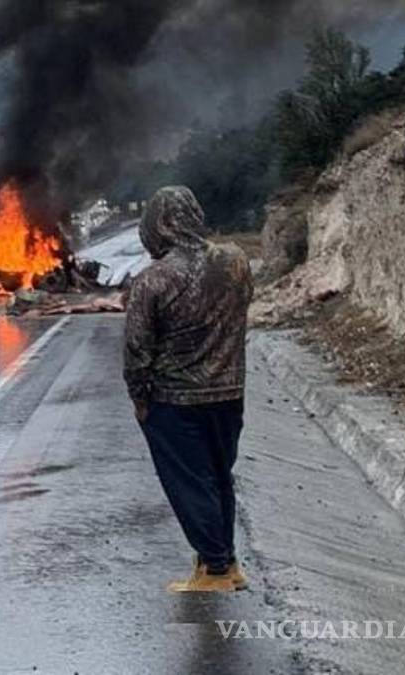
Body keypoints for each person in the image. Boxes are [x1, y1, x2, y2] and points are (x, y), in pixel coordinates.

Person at [123, 186, 254, 594]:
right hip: (229, 393)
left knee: (190, 482)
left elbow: (137, 349)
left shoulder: (153, 280)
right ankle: (226, 561)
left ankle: (214, 569)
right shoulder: (235, 261)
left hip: (174, 401)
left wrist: (140, 399)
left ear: (157, 224)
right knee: (218, 477)